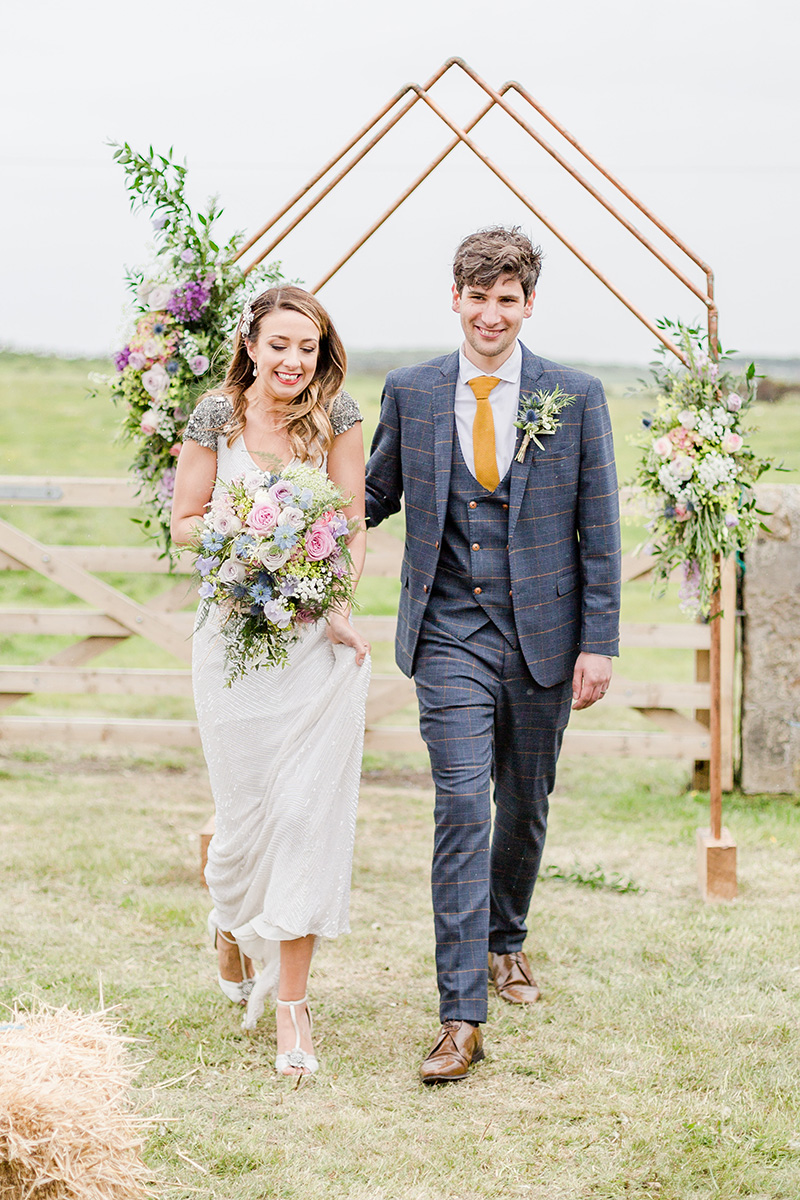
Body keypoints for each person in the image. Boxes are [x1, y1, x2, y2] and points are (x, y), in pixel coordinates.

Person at [364, 226, 621, 1083]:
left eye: (506, 299)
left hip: (546, 634)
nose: (491, 313)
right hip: (447, 636)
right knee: (462, 807)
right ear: (456, 299)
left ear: (527, 305)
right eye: (477, 297)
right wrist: (283, 494)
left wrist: (599, 643)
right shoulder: (414, 390)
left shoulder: (575, 396)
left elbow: (601, 531)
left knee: (524, 802)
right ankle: (459, 1016)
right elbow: (372, 493)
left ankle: (507, 939)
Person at [171, 286, 371, 1078]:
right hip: (231, 648)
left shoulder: (339, 418)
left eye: (308, 348)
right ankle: (229, 921)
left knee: (303, 818)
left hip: (315, 645)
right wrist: (244, 537)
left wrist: (338, 605)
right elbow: (184, 520)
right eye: (279, 345)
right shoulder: (214, 418)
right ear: (251, 344)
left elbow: (350, 525)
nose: (293, 362)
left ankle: (292, 1004)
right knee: (244, 822)